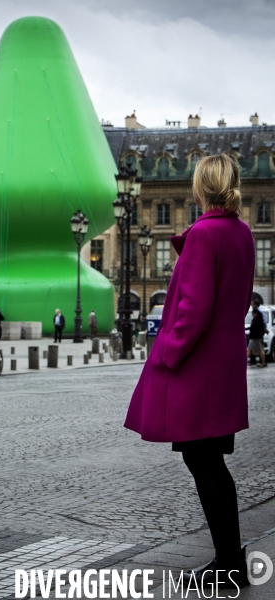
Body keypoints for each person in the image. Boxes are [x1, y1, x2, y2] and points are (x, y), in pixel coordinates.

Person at [124, 154, 255, 591]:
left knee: (203, 461)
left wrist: (168, 353)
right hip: (225, 361)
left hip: (199, 364)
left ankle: (228, 562)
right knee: (211, 461)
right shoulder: (242, 232)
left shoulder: (204, 234)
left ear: (201, 189)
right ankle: (230, 556)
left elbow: (194, 310)